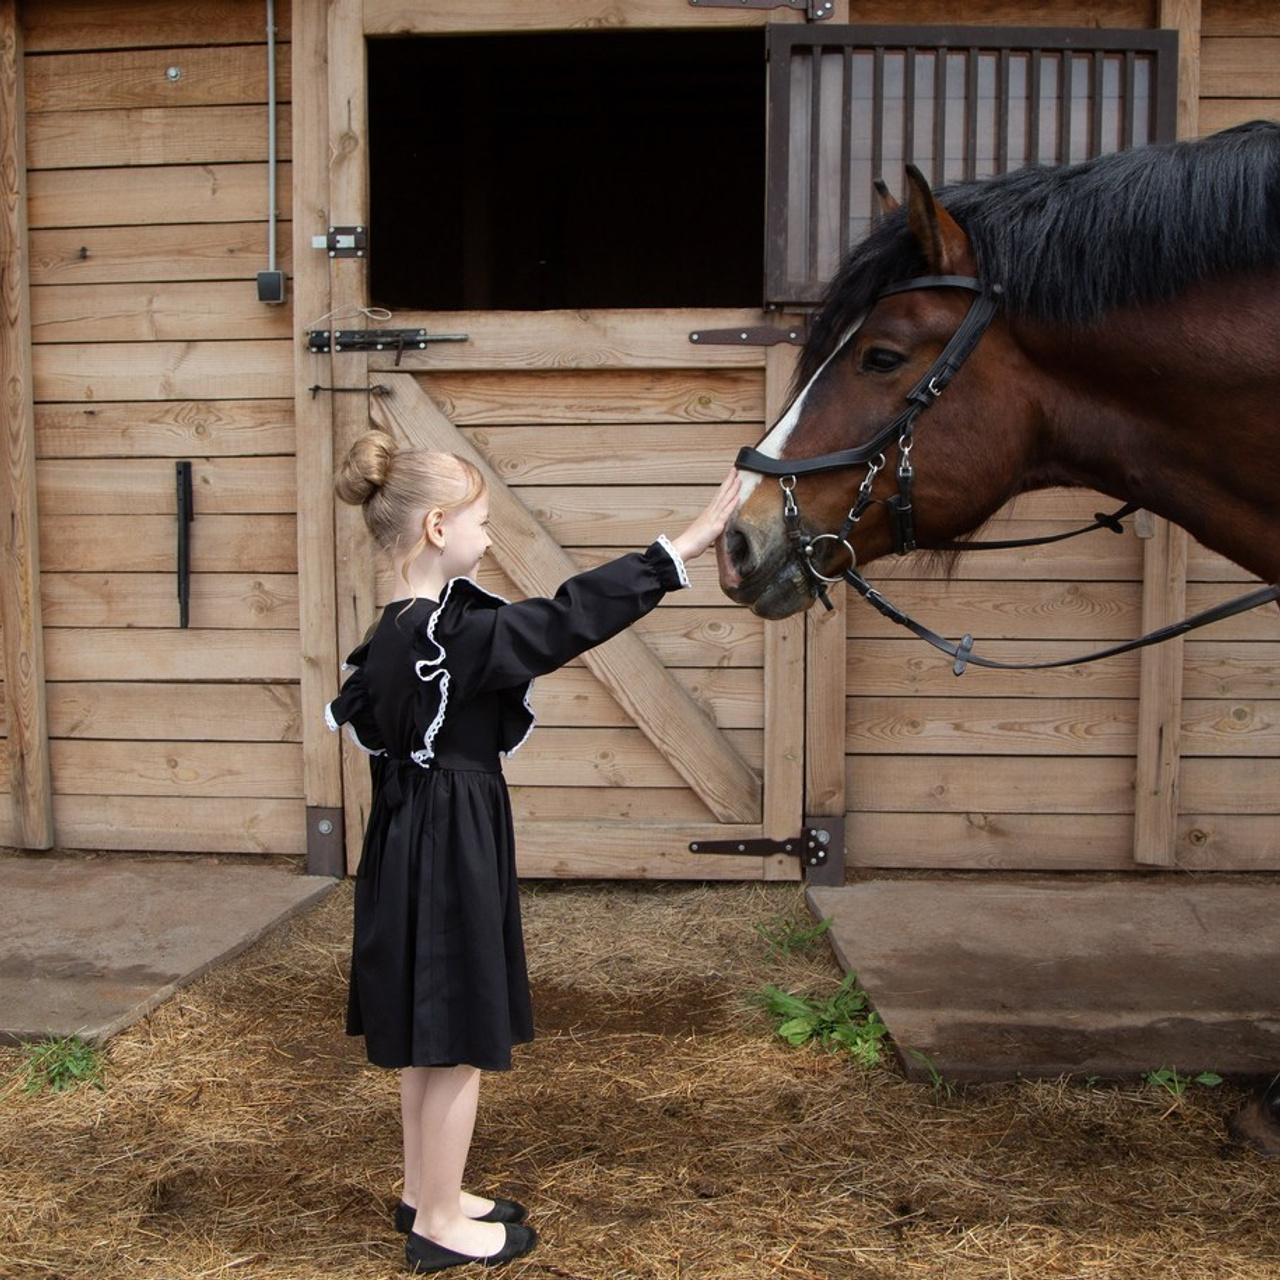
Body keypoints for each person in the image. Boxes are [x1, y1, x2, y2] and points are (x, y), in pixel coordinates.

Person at [326, 429, 741, 1274]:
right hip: (448, 845)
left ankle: (424, 1185)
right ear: (438, 528)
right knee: (457, 1038)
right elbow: (567, 619)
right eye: (480, 520)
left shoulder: (398, 632)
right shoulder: (451, 639)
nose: (488, 536)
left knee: (427, 1032)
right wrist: (682, 547)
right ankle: (439, 1221)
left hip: (414, 837)